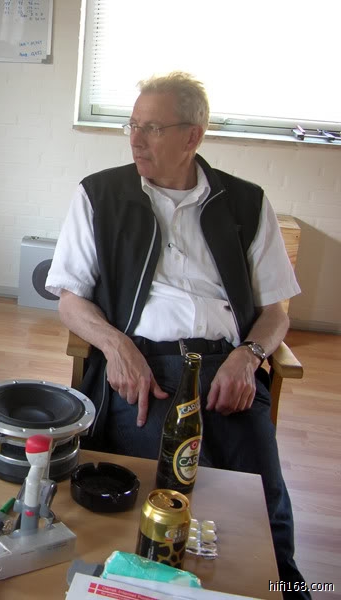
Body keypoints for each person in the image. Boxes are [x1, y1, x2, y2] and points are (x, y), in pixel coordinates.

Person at [46, 72, 309, 597]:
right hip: (150, 369)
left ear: (193, 135)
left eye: (152, 128)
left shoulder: (246, 202)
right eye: (132, 125)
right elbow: (70, 300)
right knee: (187, 492)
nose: (135, 139)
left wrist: (249, 356)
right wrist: (116, 345)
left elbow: (277, 311)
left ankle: (289, 588)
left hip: (228, 368)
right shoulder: (100, 194)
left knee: (266, 501)